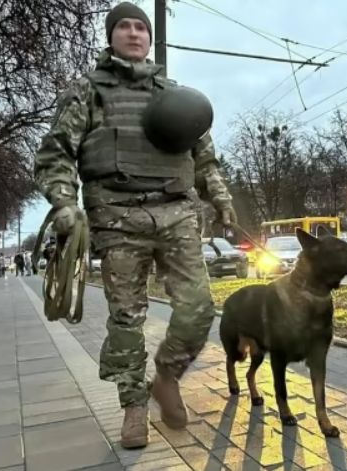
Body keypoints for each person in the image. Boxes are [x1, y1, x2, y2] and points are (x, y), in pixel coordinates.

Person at [33, 2, 236, 449]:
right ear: (111, 36)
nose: (133, 32)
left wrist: (219, 197)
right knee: (127, 317)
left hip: (178, 210)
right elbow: (55, 153)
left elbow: (204, 156)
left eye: (140, 26)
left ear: (148, 37)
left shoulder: (175, 94)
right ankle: (133, 406)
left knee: (199, 307)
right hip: (117, 215)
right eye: (123, 26)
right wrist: (64, 202)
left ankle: (167, 375)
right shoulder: (88, 91)